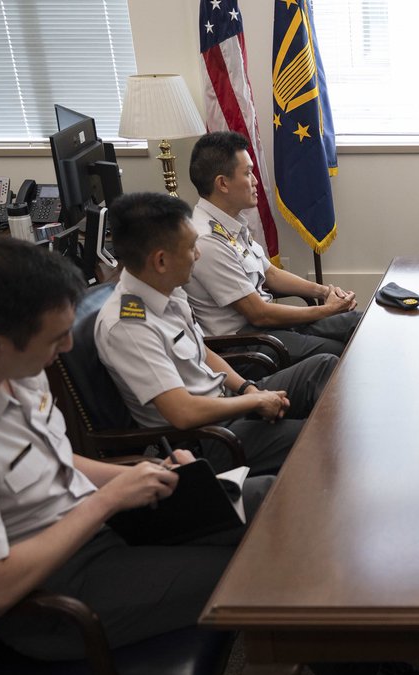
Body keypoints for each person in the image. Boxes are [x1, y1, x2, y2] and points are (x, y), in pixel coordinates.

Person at [0, 236, 274, 661]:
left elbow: (55, 463)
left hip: (103, 525)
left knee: (269, 502)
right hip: (55, 595)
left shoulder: (8, 362)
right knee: (254, 566)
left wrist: (147, 475)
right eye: (56, 339)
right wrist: (107, 502)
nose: (65, 348)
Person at [95, 192, 337, 477]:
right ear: (160, 261)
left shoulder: (165, 288)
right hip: (208, 439)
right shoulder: (128, 326)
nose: (197, 255)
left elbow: (204, 352)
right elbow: (183, 413)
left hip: (229, 403)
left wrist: (249, 389)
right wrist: (255, 401)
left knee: (323, 368)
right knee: (316, 437)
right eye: (190, 248)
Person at [184, 131, 360, 363]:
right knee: (342, 353)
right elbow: (259, 314)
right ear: (223, 183)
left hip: (269, 330)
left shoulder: (231, 223)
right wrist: (327, 310)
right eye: (247, 173)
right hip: (247, 343)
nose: (256, 181)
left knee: (359, 324)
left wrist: (325, 292)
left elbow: (270, 274)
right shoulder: (207, 240)